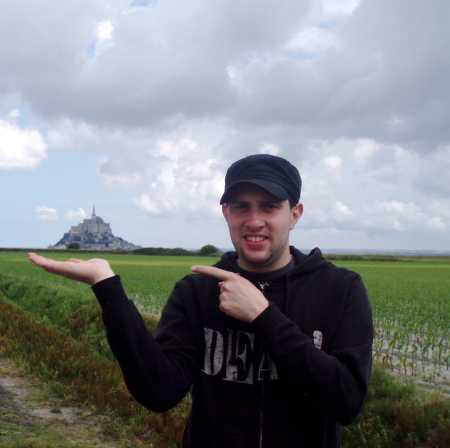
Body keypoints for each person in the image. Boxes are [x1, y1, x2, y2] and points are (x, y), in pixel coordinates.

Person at [29, 154, 373, 448]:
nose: (254, 221)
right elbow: (159, 392)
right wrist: (107, 287)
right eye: (241, 207)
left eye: (270, 206)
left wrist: (264, 317)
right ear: (226, 213)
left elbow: (346, 403)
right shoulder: (196, 291)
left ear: (295, 214)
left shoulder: (340, 288)